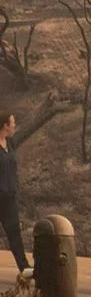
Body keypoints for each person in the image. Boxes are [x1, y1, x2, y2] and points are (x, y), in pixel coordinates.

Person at [0, 113, 25, 277]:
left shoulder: (10, 142)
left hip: (9, 197)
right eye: (13, 122)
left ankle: (25, 268)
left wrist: (16, 187)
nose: (15, 125)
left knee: (15, 232)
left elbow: (13, 168)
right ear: (5, 125)